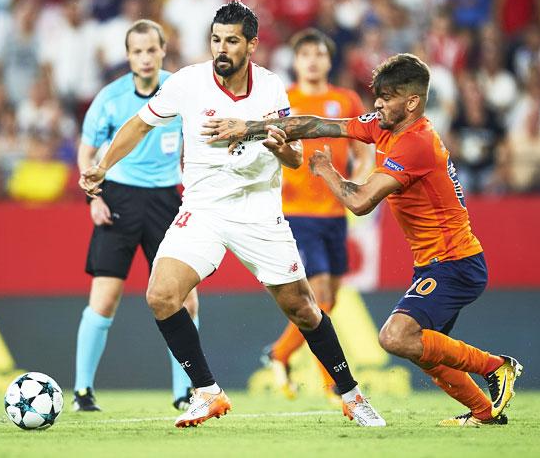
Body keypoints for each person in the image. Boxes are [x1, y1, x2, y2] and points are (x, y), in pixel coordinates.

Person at [80, 0, 385, 428]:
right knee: (161, 294)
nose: (221, 49)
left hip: (259, 209)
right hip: (203, 208)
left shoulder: (271, 88)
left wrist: (281, 147)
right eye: (216, 40)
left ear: (252, 45)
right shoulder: (188, 83)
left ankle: (351, 395)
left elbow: (295, 158)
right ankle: (207, 392)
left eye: (232, 41)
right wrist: (102, 165)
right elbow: (138, 125)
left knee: (304, 308)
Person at [203, 53, 522, 427]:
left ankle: (497, 367)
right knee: (425, 350)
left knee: (396, 336)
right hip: (436, 263)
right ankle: (484, 412)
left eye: (387, 97)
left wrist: (326, 171)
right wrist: (251, 128)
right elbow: (319, 124)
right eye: (378, 95)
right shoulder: (384, 125)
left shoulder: (416, 143)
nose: (378, 103)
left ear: (412, 102)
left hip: (456, 264)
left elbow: (360, 201)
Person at [73, 19, 199, 413]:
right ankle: (82, 392)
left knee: (185, 300)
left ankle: (185, 391)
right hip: (119, 200)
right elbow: (86, 151)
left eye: (151, 50)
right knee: (104, 299)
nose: (145, 58)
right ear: (128, 56)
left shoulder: (179, 92)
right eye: (137, 51)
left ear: (163, 50)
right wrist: (94, 198)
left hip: (166, 200)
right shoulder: (109, 99)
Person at [262, 28, 373, 403]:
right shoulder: (283, 100)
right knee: (320, 293)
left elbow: (365, 148)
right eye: (305, 53)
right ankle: (332, 383)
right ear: (295, 61)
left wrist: (357, 182)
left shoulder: (345, 99)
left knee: (329, 300)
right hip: (296, 212)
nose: (312, 59)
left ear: (329, 60)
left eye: (319, 53)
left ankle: (280, 354)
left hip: (334, 212)